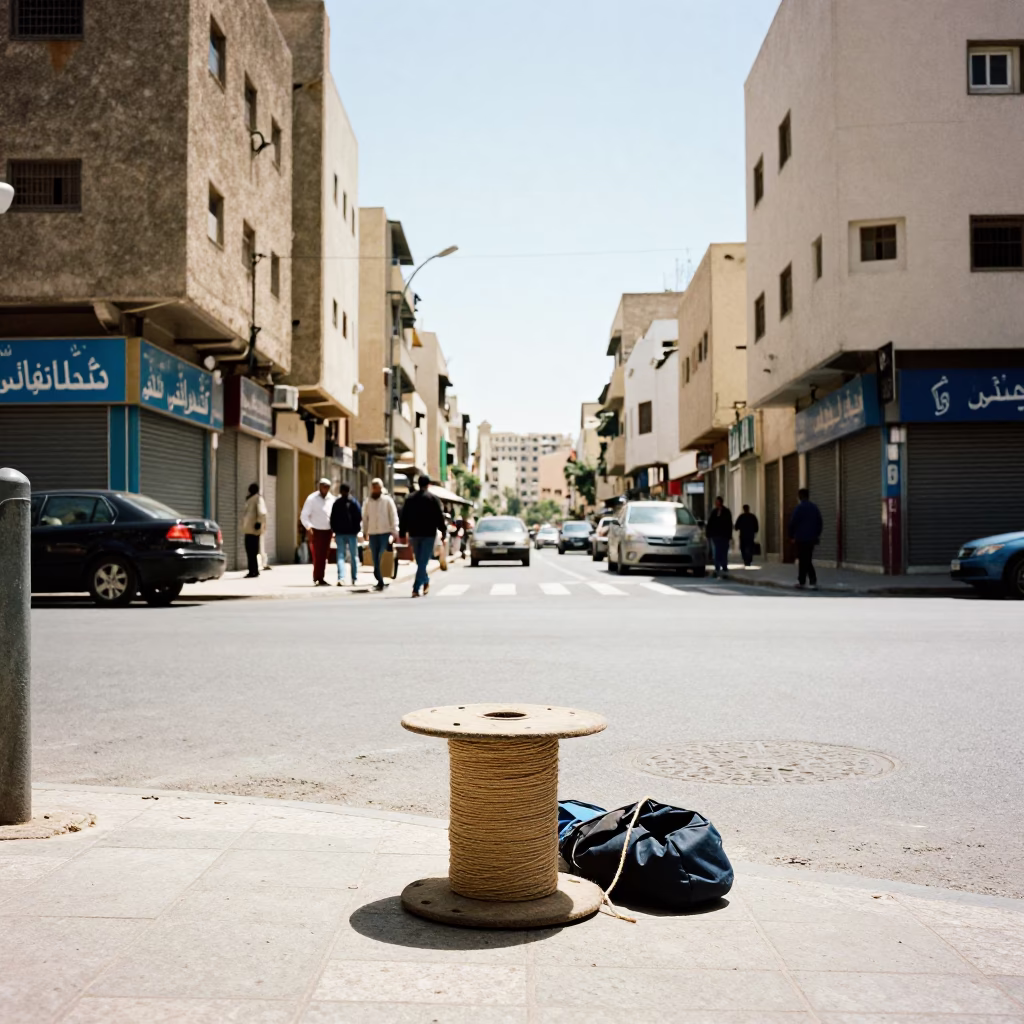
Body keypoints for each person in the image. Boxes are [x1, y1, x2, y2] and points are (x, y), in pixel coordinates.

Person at [399, 474, 446, 597]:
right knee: (421, 562)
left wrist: (402, 533)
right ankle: (425, 581)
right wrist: (443, 531)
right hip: (428, 534)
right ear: (428, 484)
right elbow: (439, 517)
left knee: (421, 561)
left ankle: (416, 588)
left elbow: (403, 517)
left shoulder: (410, 499)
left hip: (414, 534)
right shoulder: (433, 499)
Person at [363, 477, 399, 591]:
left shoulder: (387, 500)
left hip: (385, 533)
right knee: (374, 558)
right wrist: (365, 531)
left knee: (382, 556)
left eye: (377, 487)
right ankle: (380, 580)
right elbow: (365, 517)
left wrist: (394, 531)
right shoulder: (368, 501)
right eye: (373, 487)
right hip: (373, 533)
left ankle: (381, 580)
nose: (375, 490)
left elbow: (393, 515)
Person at [299, 477, 335, 586]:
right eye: (323, 486)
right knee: (317, 555)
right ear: (319, 486)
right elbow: (304, 515)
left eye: (327, 486)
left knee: (324, 556)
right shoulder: (312, 499)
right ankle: (317, 577)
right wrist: (309, 527)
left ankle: (321, 577)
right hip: (316, 530)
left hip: (327, 531)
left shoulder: (332, 499)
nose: (325, 488)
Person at [789, 487, 824, 590]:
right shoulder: (814, 508)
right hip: (811, 539)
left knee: (803, 560)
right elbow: (820, 523)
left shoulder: (799, 508)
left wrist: (791, 536)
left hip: (800, 538)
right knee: (807, 559)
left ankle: (804, 581)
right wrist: (816, 534)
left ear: (800, 497)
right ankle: (809, 581)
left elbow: (793, 522)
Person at [329, 482, 361, 586]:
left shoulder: (337, 503)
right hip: (351, 533)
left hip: (341, 533)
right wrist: (357, 530)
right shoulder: (354, 502)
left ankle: (341, 578)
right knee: (353, 556)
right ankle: (354, 578)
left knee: (341, 556)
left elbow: (332, 518)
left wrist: (334, 530)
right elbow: (359, 517)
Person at [241, 482, 267, 578]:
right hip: (248, 529)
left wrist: (259, 523)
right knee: (250, 551)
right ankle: (252, 570)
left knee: (252, 551)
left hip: (253, 530)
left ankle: (254, 571)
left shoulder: (257, 498)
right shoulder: (250, 499)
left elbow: (262, 512)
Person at [705, 496, 733, 578]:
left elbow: (729, 524)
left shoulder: (726, 512)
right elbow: (710, 523)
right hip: (715, 535)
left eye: (718, 502)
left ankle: (724, 566)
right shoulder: (714, 512)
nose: (716, 504)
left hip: (724, 535)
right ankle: (717, 567)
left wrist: (729, 535)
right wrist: (708, 534)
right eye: (716, 502)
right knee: (716, 552)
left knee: (724, 551)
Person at [734, 504, 760, 568]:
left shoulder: (741, 517)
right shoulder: (752, 516)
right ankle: (749, 559)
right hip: (750, 535)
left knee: (743, 548)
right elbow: (756, 526)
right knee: (750, 547)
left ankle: (746, 560)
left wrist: (737, 528)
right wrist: (755, 531)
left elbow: (736, 526)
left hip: (743, 535)